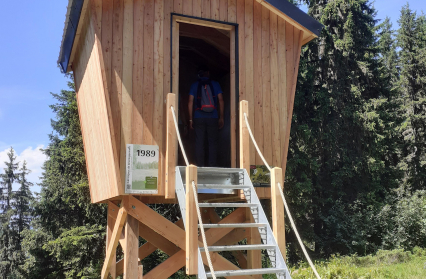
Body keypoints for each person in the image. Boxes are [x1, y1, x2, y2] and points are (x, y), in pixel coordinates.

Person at [188, 66, 224, 167]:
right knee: (212, 142)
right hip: (213, 117)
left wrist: (191, 119)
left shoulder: (194, 85)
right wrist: (221, 117)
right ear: (208, 72)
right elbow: (221, 100)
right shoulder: (215, 84)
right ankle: (212, 165)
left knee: (199, 142)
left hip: (198, 116)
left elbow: (190, 102)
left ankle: (199, 165)